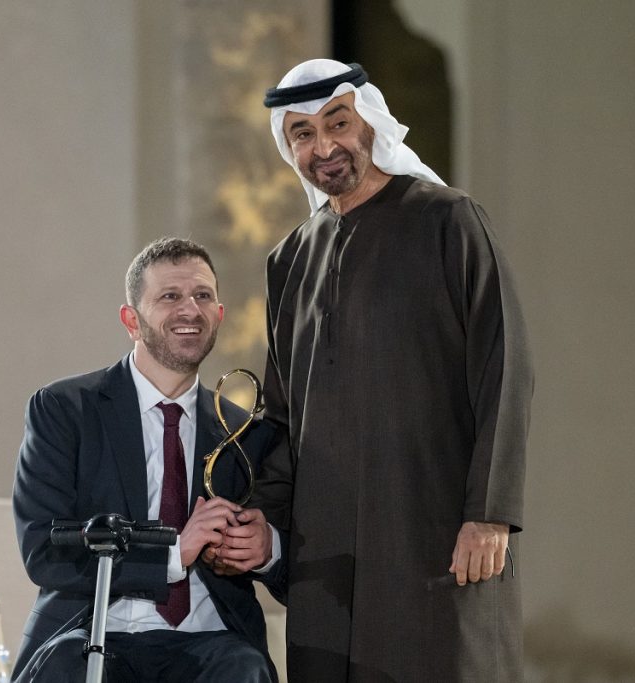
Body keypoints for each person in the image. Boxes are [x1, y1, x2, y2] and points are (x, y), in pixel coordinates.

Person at [214, 59, 535, 681]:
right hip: (327, 563)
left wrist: (489, 512)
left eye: (338, 123)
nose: (323, 146)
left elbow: (505, 366)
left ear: (372, 124)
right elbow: (282, 415)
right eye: (303, 133)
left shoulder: (450, 221)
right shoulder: (289, 260)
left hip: (436, 536)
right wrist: (267, 526)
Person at [12, 237, 282, 682]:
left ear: (219, 315)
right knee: (69, 669)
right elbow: (44, 550)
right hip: (93, 635)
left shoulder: (245, 431)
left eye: (202, 296)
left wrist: (267, 548)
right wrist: (174, 554)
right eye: (170, 296)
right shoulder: (65, 409)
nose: (189, 309)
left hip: (210, 644)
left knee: (244, 668)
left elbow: (291, 562)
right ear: (131, 321)